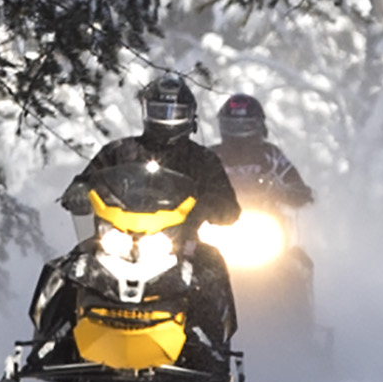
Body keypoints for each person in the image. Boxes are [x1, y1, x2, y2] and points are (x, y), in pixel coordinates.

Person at [49, 75, 240, 354]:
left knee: (212, 268)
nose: (166, 119)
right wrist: (79, 190)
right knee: (68, 267)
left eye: (174, 112)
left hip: (178, 243)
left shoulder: (203, 160)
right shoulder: (120, 151)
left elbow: (229, 207)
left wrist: (205, 207)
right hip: (117, 237)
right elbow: (89, 178)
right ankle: (51, 339)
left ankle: (212, 347)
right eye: (159, 111)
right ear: (146, 112)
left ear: (190, 116)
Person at [213, 94, 312, 208]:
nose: (238, 132)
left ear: (259, 125)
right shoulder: (210, 157)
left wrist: (286, 193)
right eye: (232, 126)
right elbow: (195, 181)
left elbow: (296, 183)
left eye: (246, 126)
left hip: (266, 213)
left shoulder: (272, 155)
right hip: (219, 215)